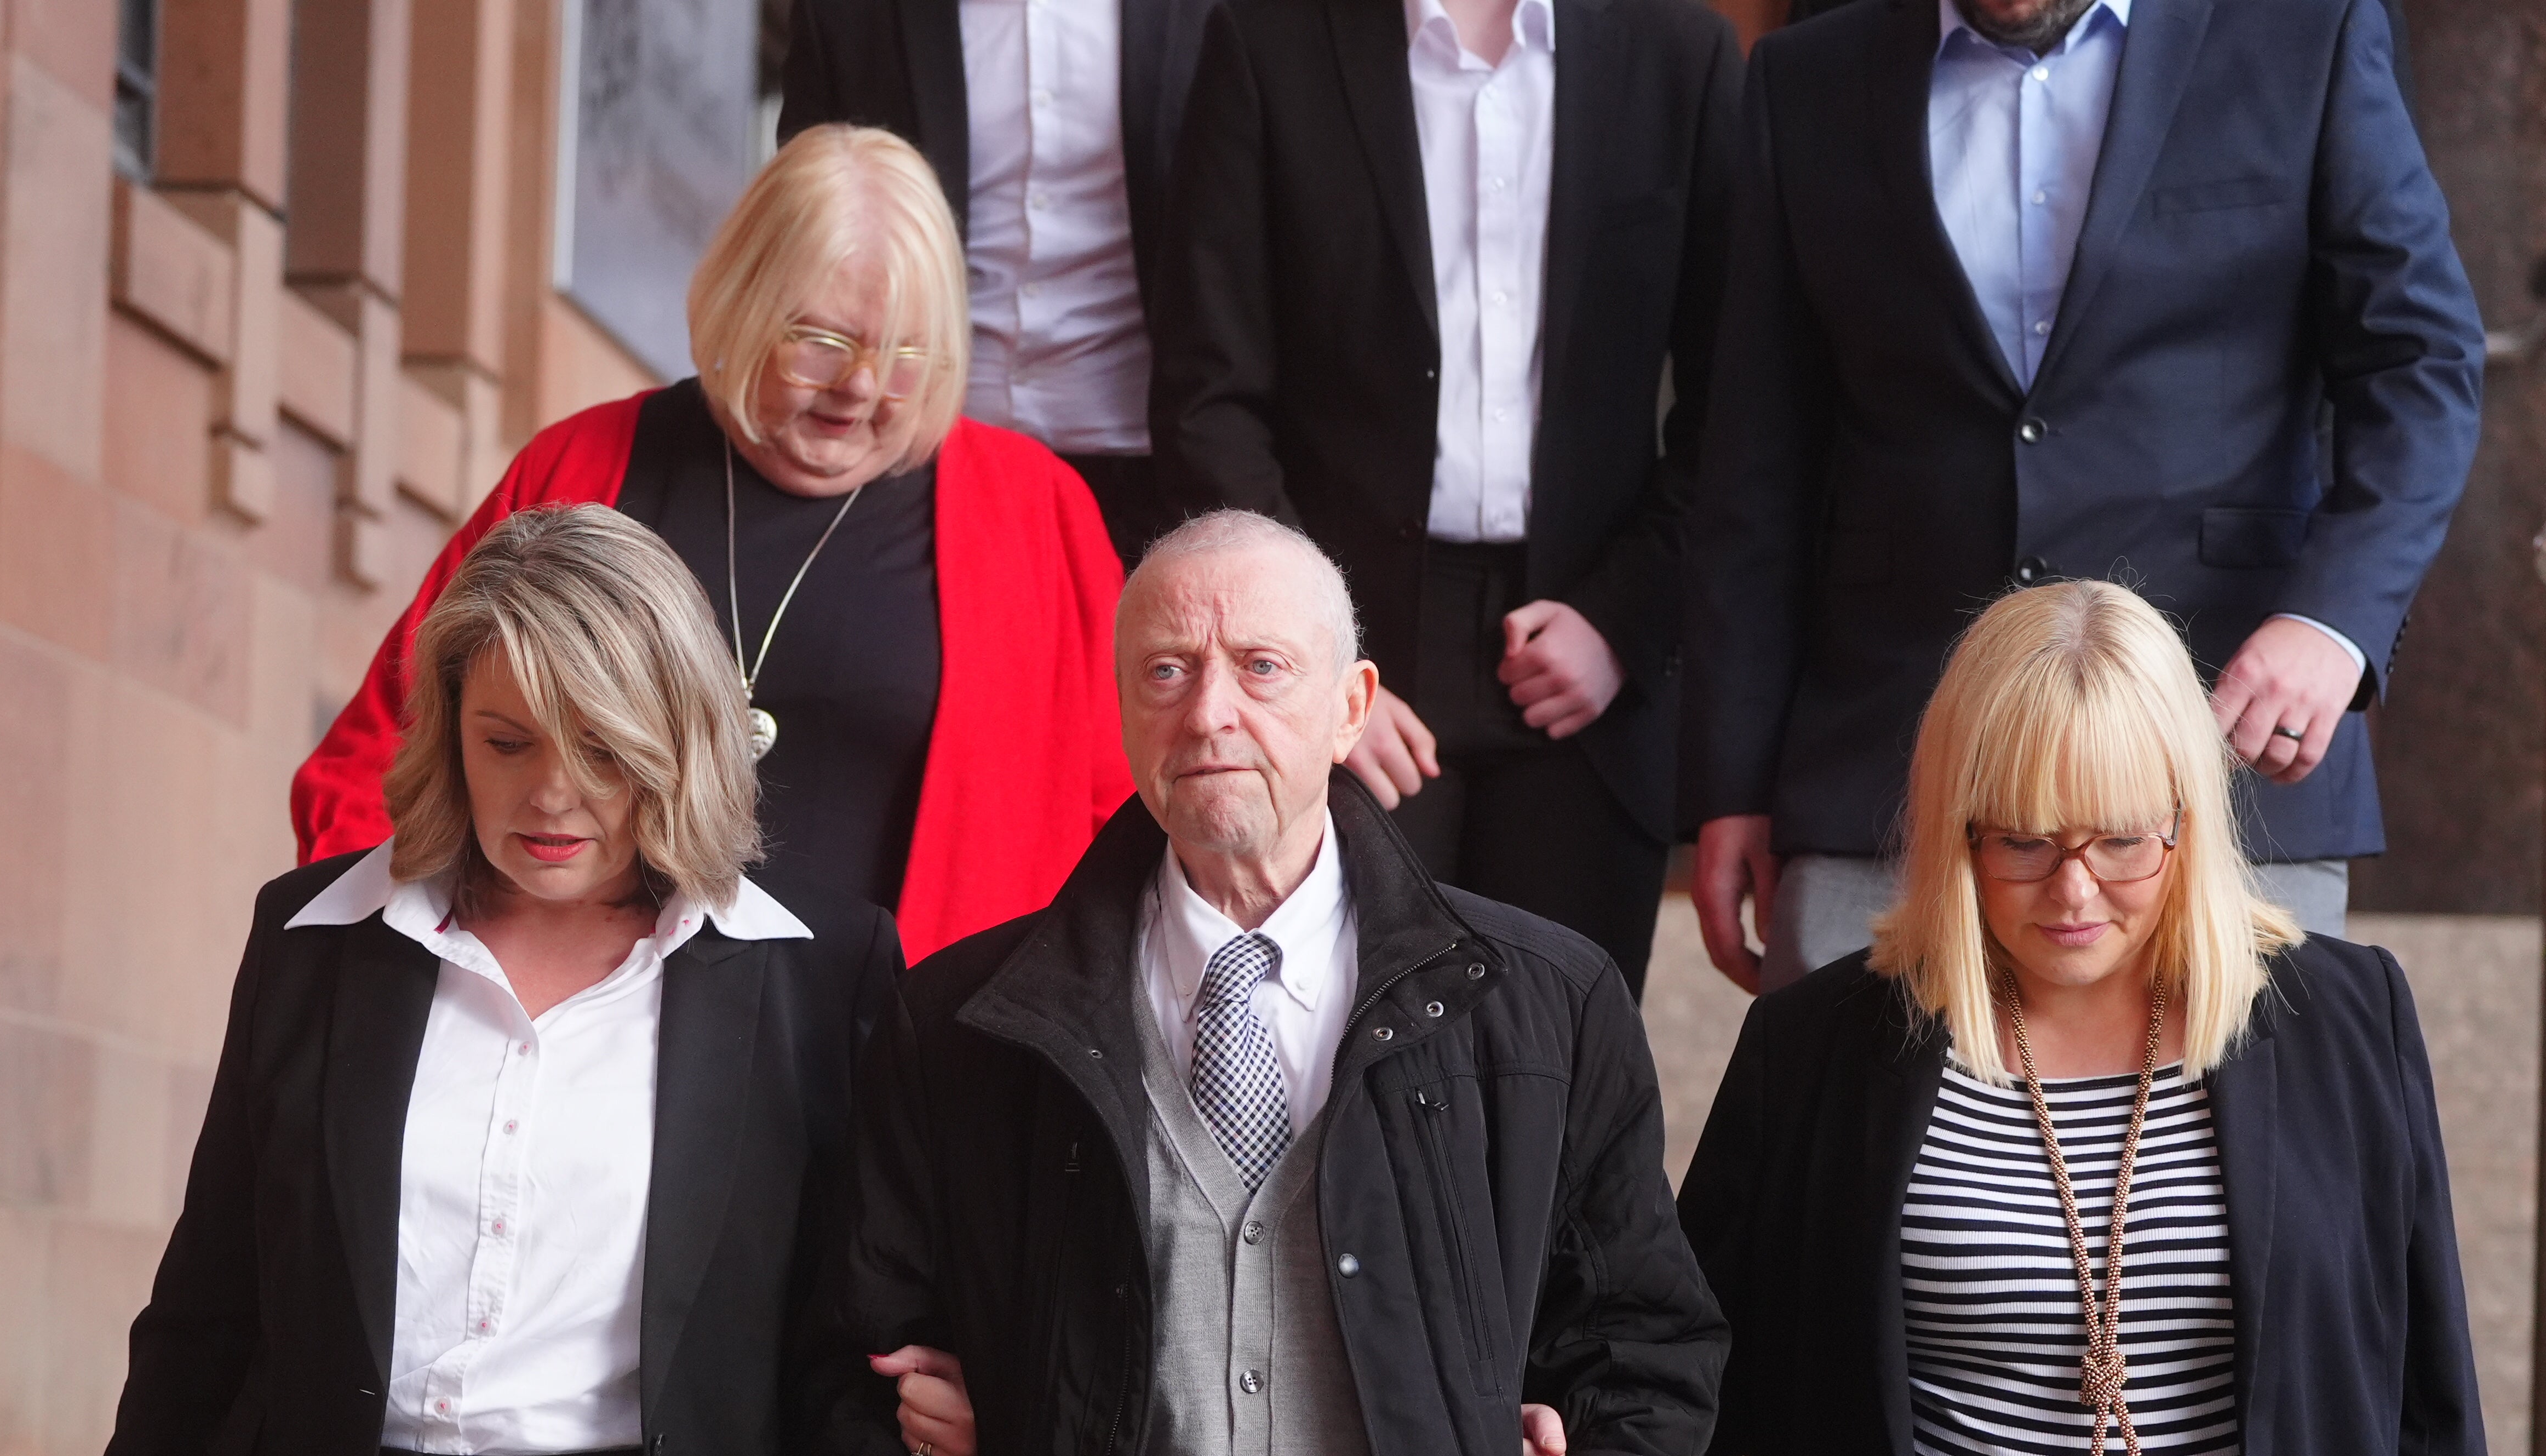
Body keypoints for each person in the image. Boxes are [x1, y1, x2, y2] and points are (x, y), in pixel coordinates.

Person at [814, 511, 1725, 1456]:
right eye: (1165, 670)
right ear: (1120, 710)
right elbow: (849, 1380)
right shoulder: (966, 1030)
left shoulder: (1540, 1009)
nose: (1210, 710)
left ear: (1355, 708)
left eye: (1260, 665)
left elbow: (1650, 1353)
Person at [2, 505, 902, 1456]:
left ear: (680, 742)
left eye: (604, 748)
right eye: (507, 741)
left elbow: (843, 1344)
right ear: (449, 732)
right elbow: (205, 1322)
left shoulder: (823, 976)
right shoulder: (313, 942)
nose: (551, 794)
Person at [1677, 577, 2537, 1456]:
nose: (2074, 893)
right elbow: (1685, 1384)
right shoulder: (1823, 1054)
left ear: (2191, 827)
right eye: (2022, 843)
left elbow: (2432, 1432)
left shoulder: (2340, 1025)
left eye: (2124, 845)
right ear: (1955, 824)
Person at [1682, 0, 2484, 993]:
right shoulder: (1804, 79)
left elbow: (2420, 361)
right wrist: (1735, 782)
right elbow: (1757, 463)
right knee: (1858, 1145)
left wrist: (2334, 619)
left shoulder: (2302, 34)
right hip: (1885, 770)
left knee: (2227, 1147)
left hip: (2220, 759)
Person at [291, 123, 1133, 966]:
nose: (862, 387)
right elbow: (389, 754)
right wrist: (390, 978)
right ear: (742, 300)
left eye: (904, 352)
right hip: (591, 1030)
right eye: (824, 343)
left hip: (902, 1052)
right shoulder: (583, 466)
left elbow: (1123, 819)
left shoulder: (1037, 513)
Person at [1148, 0, 1739, 995]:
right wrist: (1312, 662)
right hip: (1348, 653)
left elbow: (1740, 403)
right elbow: (1208, 398)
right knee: (1345, 1056)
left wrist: (1625, 618)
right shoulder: (1267, 39)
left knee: (1558, 1073)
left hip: (1586, 662)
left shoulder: (1678, 48)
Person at [776, 0, 1222, 563]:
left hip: (1154, 463)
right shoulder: (848, 16)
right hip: (915, 452)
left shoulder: (1221, 15)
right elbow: (798, 231)